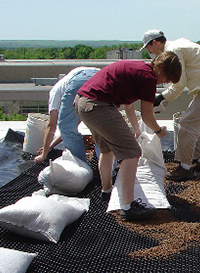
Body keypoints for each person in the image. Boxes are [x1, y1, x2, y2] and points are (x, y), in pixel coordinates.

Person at [74, 51, 182, 220]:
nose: (166, 82)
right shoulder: (148, 77)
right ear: (160, 67)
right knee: (132, 153)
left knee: (107, 149)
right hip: (98, 106)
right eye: (167, 77)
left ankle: (106, 191)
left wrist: (136, 130)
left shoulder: (138, 70)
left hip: (83, 103)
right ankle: (128, 206)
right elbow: (147, 115)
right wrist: (158, 131)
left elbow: (128, 105)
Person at [140, 29, 200, 181]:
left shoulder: (173, 51)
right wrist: (163, 99)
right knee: (195, 126)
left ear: (155, 42)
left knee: (186, 123)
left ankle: (185, 168)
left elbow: (179, 83)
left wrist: (161, 98)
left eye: (148, 47)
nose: (149, 52)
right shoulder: (176, 46)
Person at [35, 67, 100, 164]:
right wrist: (49, 147)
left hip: (82, 78)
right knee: (102, 129)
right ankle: (109, 172)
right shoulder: (68, 87)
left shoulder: (55, 91)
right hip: (103, 77)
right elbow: (69, 128)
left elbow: (52, 126)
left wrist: (44, 154)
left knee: (67, 128)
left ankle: (80, 165)